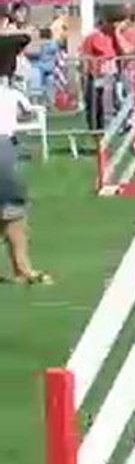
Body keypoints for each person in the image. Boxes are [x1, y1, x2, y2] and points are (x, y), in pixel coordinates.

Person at [0, 34, 52, 284]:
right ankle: (22, 268)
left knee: (11, 210)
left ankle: (23, 268)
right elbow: (25, 114)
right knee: (13, 212)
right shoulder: (10, 93)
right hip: (4, 148)